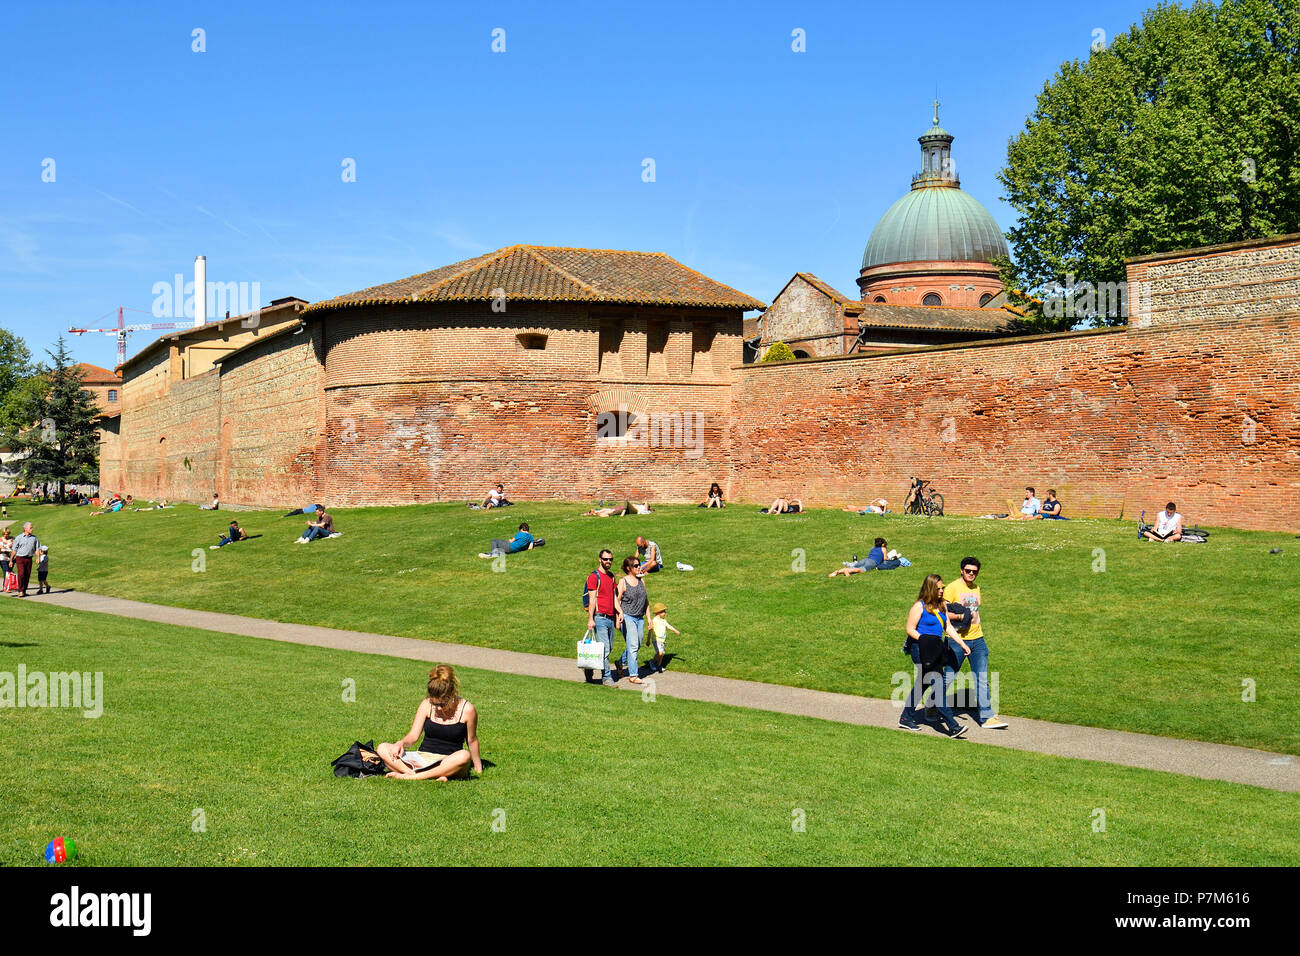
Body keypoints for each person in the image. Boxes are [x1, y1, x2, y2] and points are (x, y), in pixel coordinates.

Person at [375, 665, 482, 781]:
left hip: (448, 761)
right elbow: (413, 736)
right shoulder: (426, 704)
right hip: (422, 758)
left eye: (442, 704)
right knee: (383, 748)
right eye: (435, 704)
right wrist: (400, 743)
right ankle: (421, 775)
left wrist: (478, 767)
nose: (439, 709)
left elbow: (471, 740)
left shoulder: (467, 710)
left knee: (464, 756)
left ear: (452, 694)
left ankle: (414, 776)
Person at [897, 573, 971, 737]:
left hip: (936, 649)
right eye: (938, 588)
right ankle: (953, 726)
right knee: (937, 686)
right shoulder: (919, 606)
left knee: (922, 685)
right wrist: (925, 640)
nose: (941, 590)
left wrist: (962, 643)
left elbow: (948, 627)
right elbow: (910, 629)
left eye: (942, 587)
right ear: (930, 588)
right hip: (921, 649)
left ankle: (906, 717)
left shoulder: (942, 606)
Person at [942, 557, 1008, 730]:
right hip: (956, 640)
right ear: (961, 570)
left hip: (977, 639)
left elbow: (975, 612)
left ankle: (986, 716)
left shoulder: (977, 588)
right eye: (968, 571)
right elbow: (942, 614)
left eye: (975, 571)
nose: (971, 574)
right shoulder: (951, 588)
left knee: (981, 678)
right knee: (948, 677)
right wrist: (959, 617)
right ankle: (934, 707)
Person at [585, 549, 618, 686]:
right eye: (605, 559)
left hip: (611, 617)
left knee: (608, 648)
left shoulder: (612, 577)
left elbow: (615, 597)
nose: (608, 561)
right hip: (599, 617)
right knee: (604, 649)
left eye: (610, 559)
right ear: (600, 559)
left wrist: (619, 613)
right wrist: (590, 619)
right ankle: (607, 678)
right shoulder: (594, 576)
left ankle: (589, 667)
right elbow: (592, 600)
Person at [615, 555, 648, 683]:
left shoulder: (641, 581)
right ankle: (633, 675)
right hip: (627, 617)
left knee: (636, 644)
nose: (639, 567)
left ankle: (621, 662)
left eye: (639, 565)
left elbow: (646, 600)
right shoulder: (623, 581)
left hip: (639, 617)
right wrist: (618, 618)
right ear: (629, 568)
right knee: (633, 645)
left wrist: (649, 618)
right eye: (635, 565)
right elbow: (616, 600)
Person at [828, 537, 901, 577]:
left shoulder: (873, 548)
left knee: (853, 566)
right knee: (860, 570)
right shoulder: (883, 549)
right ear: (882, 544)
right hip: (872, 562)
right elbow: (885, 559)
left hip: (865, 559)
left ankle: (837, 571)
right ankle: (847, 571)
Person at [11, 521, 41, 598]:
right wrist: (11, 560)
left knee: (27, 574)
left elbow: (37, 549)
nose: (32, 529)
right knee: (21, 573)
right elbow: (14, 549)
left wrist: (38, 558)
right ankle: (20, 591)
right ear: (25, 529)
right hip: (20, 558)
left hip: (29, 559)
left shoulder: (34, 538)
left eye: (32, 527)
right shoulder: (19, 537)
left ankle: (24, 590)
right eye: (31, 528)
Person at [648, 601, 679, 674]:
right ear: (658, 612)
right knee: (660, 652)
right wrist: (648, 640)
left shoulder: (663, 621)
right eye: (663, 611)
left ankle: (659, 666)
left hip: (662, 640)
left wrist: (675, 630)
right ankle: (652, 662)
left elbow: (669, 626)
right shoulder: (654, 621)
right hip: (656, 640)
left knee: (661, 655)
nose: (665, 613)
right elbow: (650, 630)